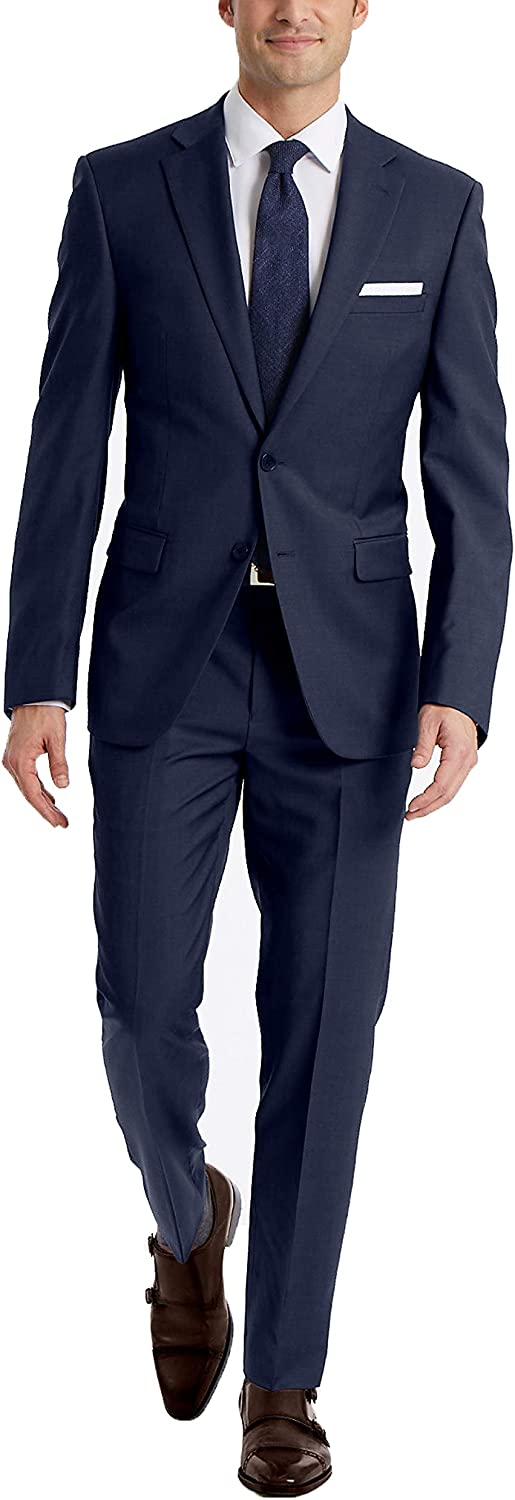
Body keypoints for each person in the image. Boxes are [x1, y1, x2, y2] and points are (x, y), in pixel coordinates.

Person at [3, 1, 511, 1493]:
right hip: (164, 662)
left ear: (360, 9)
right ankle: (187, 1219)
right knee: (138, 1005)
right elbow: (64, 442)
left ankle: (284, 1384)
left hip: (353, 684)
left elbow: (472, 469)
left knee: (325, 1041)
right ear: (225, 3)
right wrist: (35, 676)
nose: (293, 6)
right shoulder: (121, 188)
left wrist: (462, 680)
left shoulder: (439, 207)